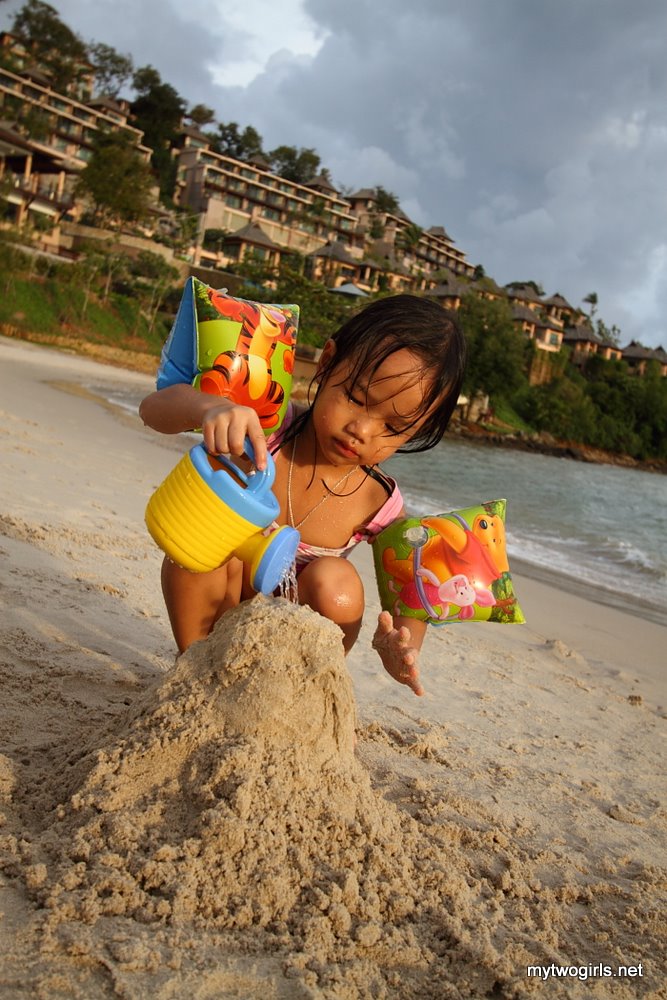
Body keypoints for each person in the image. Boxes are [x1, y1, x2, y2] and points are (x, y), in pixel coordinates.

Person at [139, 294, 466, 696]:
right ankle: (194, 674)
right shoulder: (264, 431)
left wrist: (404, 645)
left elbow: (412, 586)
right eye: (356, 398)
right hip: (213, 625)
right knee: (201, 536)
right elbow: (153, 410)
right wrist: (208, 408)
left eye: (394, 428)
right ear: (327, 362)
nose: (363, 430)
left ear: (419, 429)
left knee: (339, 583)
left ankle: (300, 696)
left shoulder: (376, 501)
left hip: (286, 657)